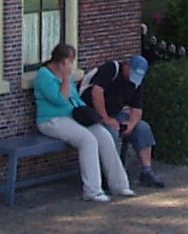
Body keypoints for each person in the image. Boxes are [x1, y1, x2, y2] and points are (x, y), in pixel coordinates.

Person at [32, 43, 132, 202]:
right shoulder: (44, 76)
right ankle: (92, 190)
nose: (72, 65)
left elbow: (75, 98)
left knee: (104, 136)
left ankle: (119, 184)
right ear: (63, 61)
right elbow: (60, 100)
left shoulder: (68, 76)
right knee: (88, 140)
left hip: (73, 116)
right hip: (52, 120)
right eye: (70, 61)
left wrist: (89, 114)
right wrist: (65, 77)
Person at [85, 54, 165, 187]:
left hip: (116, 114)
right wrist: (105, 118)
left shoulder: (137, 83)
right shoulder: (111, 69)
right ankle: (112, 175)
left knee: (143, 128)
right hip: (92, 113)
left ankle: (146, 171)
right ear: (127, 66)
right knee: (112, 132)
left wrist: (131, 124)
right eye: (132, 74)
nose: (133, 79)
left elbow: (137, 109)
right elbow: (96, 92)